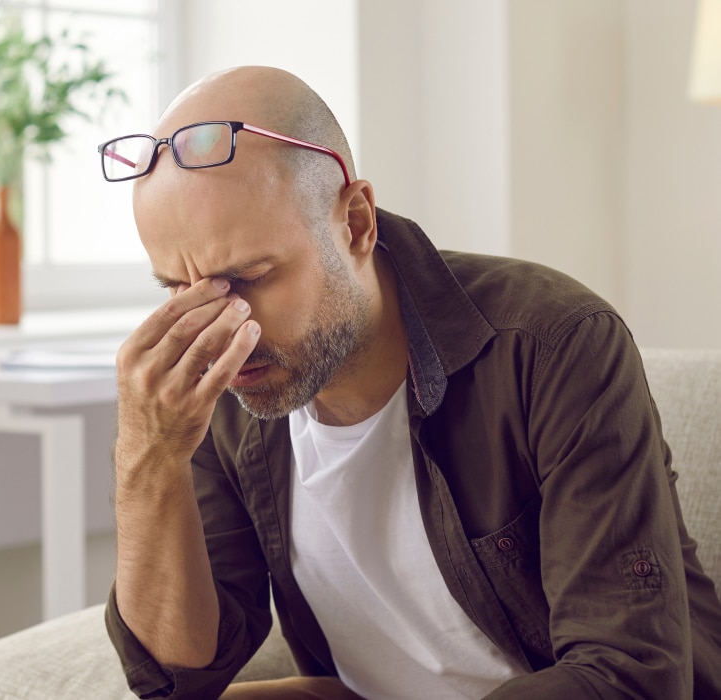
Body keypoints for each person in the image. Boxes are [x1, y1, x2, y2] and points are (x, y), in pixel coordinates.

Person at [99, 66, 721, 699]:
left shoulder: (552, 344)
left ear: (357, 223)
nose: (224, 325)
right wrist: (148, 458)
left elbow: (629, 678)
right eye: (178, 288)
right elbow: (179, 678)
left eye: (252, 277)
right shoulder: (214, 380)